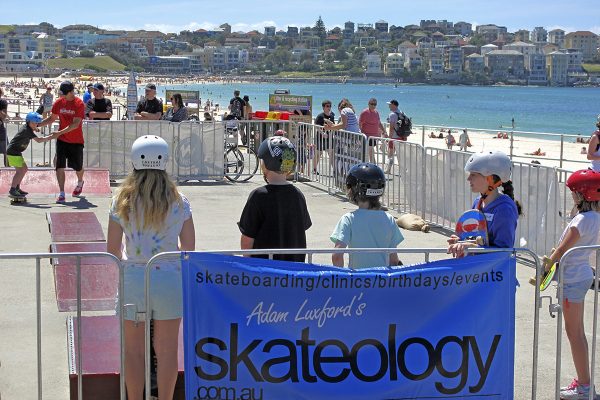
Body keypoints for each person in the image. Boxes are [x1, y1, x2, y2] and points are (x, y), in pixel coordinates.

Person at [107, 135, 195, 400]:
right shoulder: (179, 200)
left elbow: (112, 248)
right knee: (167, 351)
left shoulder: (122, 199)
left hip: (134, 277)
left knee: (134, 351)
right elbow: (189, 249)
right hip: (169, 278)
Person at [544, 170, 600, 400]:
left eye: (574, 193)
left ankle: (584, 387)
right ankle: (584, 381)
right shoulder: (596, 218)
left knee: (574, 333)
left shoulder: (581, 220)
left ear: (581, 194)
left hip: (573, 277)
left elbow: (562, 249)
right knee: (578, 333)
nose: (572, 196)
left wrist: (546, 266)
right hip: (583, 274)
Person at [238, 136, 312, 262]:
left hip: (265, 271)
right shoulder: (298, 195)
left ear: (266, 164)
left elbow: (247, 238)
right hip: (293, 270)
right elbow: (302, 228)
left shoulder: (258, 196)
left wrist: (247, 263)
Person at [447, 150, 522, 258]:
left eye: (473, 175)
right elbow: (478, 238)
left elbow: (504, 251)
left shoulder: (504, 209)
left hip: (494, 273)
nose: (468, 179)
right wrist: (461, 241)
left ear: (490, 179)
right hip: (477, 270)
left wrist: (472, 246)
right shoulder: (478, 202)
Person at [330, 163, 404, 268]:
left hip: (357, 281)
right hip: (381, 281)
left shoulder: (349, 219)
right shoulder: (389, 219)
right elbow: (393, 259)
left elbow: (337, 256)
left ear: (353, 190)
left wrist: (342, 279)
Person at [38, 81, 86, 202]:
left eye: (64, 94)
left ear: (71, 92)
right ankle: (62, 192)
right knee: (59, 166)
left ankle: (80, 182)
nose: (62, 95)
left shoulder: (79, 104)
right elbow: (52, 118)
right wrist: (38, 124)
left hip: (76, 140)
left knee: (78, 167)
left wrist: (58, 133)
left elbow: (75, 124)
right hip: (62, 140)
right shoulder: (59, 102)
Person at [6, 112, 52, 198]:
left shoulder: (28, 128)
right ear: (28, 122)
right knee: (20, 171)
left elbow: (33, 129)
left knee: (24, 169)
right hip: (13, 151)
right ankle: (12, 190)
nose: (36, 124)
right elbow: (38, 140)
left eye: (37, 123)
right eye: (34, 123)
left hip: (15, 151)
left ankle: (17, 188)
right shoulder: (27, 130)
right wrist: (51, 137)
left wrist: (35, 129)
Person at [359, 98, 386, 163]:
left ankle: (371, 166)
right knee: (369, 153)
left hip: (374, 137)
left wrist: (384, 131)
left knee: (370, 152)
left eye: (375, 104)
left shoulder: (376, 113)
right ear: (368, 104)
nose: (373, 106)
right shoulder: (364, 112)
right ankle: (372, 166)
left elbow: (379, 123)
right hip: (366, 136)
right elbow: (360, 124)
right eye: (372, 104)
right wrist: (361, 134)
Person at [385, 99, 408, 174]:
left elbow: (391, 128)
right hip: (401, 137)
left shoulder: (392, 114)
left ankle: (388, 170)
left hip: (394, 137)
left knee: (390, 154)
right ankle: (404, 170)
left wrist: (389, 138)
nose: (389, 106)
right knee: (400, 155)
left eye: (390, 105)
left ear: (393, 105)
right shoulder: (402, 113)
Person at [313, 100, 335, 174]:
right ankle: (314, 169)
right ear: (323, 107)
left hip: (329, 138)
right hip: (320, 138)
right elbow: (316, 126)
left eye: (330, 106)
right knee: (318, 154)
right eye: (327, 106)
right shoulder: (320, 116)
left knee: (331, 154)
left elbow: (333, 126)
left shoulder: (332, 116)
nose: (329, 107)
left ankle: (334, 170)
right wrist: (322, 133)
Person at [0, 99, 8, 166]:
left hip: (1, 132)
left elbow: (4, 116)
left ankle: (9, 171)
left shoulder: (2, 102)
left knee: (7, 152)